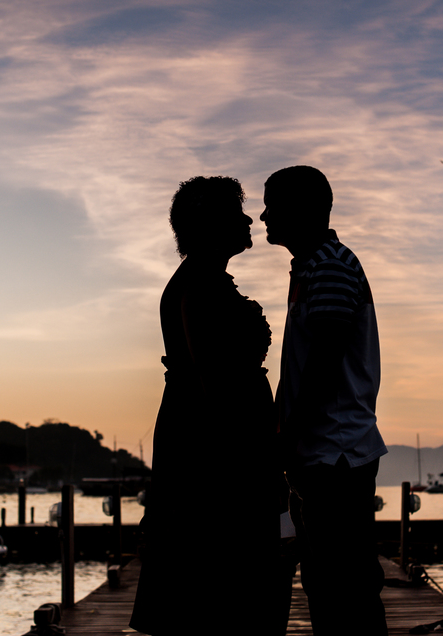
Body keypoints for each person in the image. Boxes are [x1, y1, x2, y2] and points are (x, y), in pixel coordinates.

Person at [130, 176, 286, 636]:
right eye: (235, 212)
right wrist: (260, 466)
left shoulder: (206, 282)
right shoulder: (198, 287)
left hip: (210, 449)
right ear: (211, 224)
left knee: (216, 595)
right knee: (221, 591)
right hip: (214, 461)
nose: (247, 218)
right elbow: (216, 387)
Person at [261, 165, 388, 636]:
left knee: (344, 584)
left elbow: (325, 363)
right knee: (327, 581)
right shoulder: (313, 266)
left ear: (304, 209)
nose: (263, 215)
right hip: (323, 451)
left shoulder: (330, 265)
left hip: (335, 453)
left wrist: (285, 437)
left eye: (273, 204)